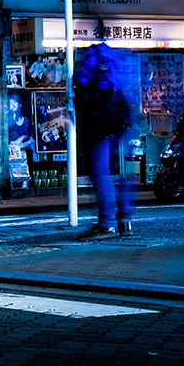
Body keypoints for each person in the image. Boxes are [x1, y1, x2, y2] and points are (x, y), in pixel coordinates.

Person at [74, 42, 137, 239]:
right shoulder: (118, 56)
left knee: (100, 173)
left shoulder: (92, 55)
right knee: (120, 175)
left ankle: (106, 223)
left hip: (99, 123)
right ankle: (125, 221)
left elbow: (80, 80)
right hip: (122, 119)